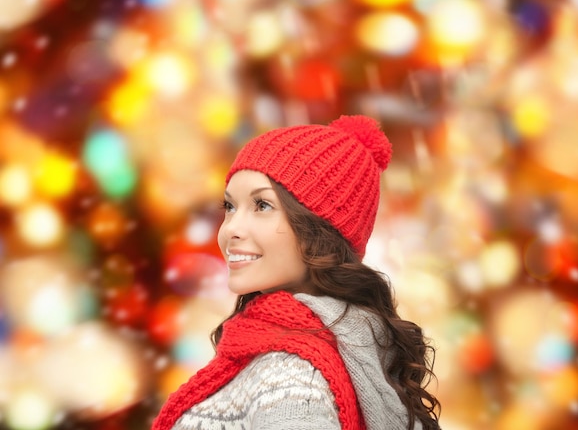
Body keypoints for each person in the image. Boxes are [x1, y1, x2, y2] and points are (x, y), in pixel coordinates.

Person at [151, 115, 441, 430]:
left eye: (262, 205)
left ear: (320, 231)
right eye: (230, 207)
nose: (231, 229)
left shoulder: (291, 378)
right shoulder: (332, 344)